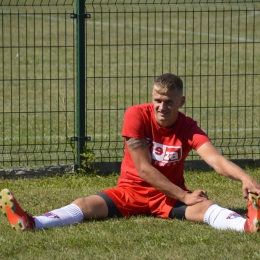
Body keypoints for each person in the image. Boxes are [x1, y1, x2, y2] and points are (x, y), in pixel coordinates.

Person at [1, 73, 260, 233]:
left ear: (181, 102)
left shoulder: (188, 126)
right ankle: (33, 222)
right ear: (152, 97)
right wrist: (184, 194)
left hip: (166, 197)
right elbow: (144, 169)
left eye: (169, 101)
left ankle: (247, 224)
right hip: (130, 191)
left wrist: (245, 178)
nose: (162, 106)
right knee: (83, 204)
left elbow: (215, 159)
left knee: (206, 209)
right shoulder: (136, 114)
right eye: (157, 100)